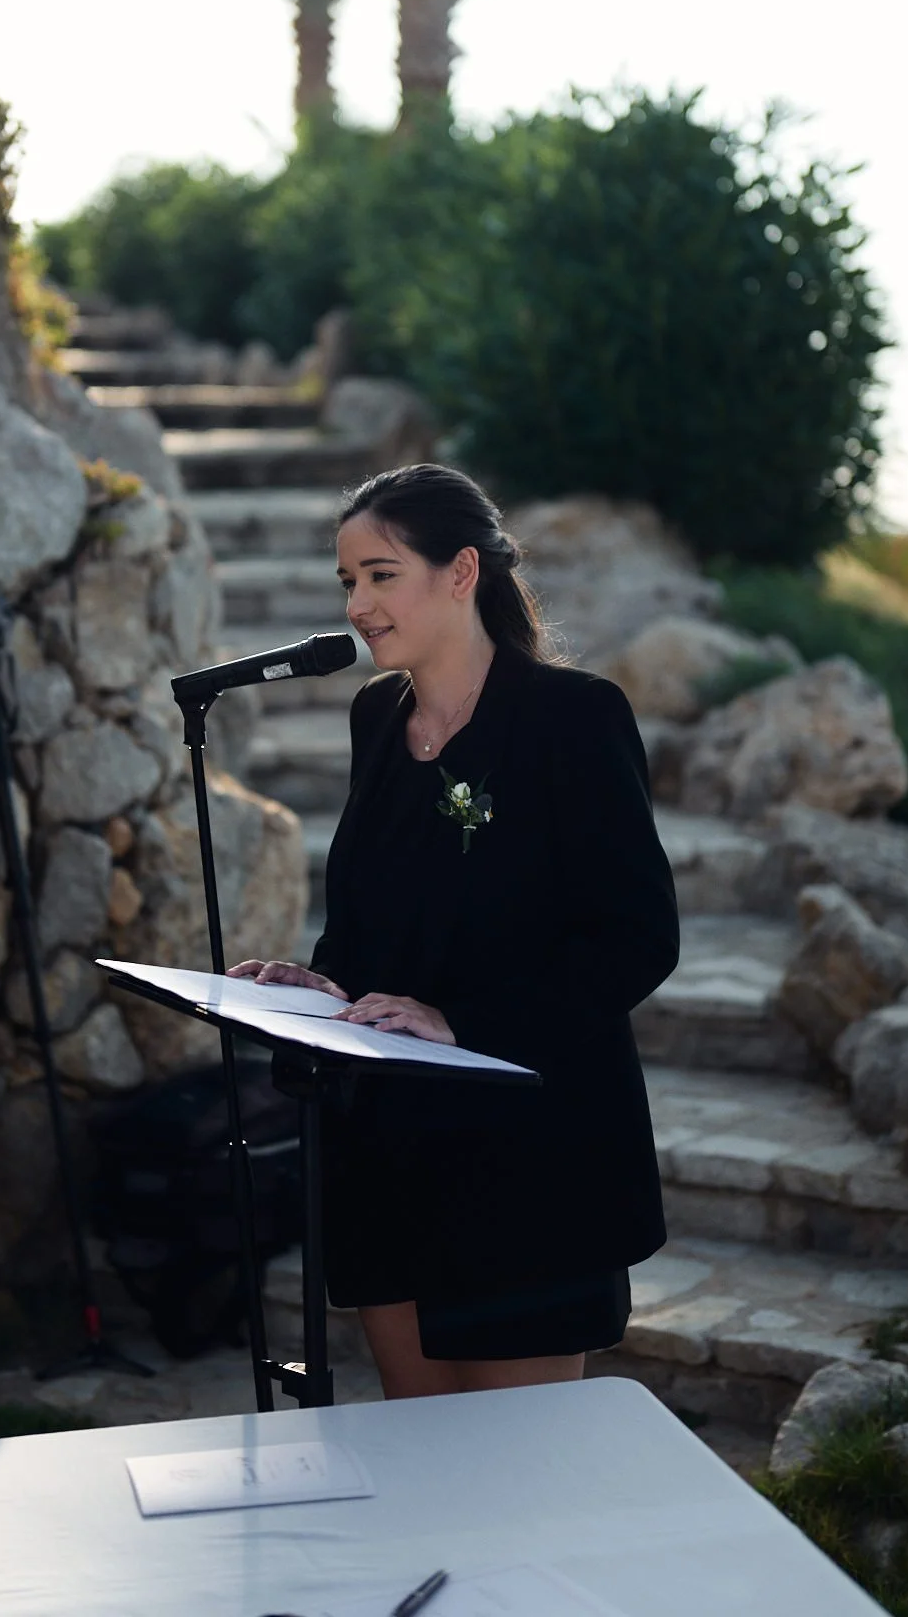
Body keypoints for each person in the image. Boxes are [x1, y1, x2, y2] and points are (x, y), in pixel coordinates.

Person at [229, 463, 679, 1399]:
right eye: (347, 581)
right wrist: (325, 986)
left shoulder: (573, 718)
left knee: (515, 1472)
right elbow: (373, 919)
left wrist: (461, 1021)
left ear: (461, 571)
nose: (356, 605)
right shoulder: (374, 719)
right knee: (415, 1450)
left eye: (380, 575)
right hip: (393, 1157)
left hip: (530, 1161)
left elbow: (636, 937)